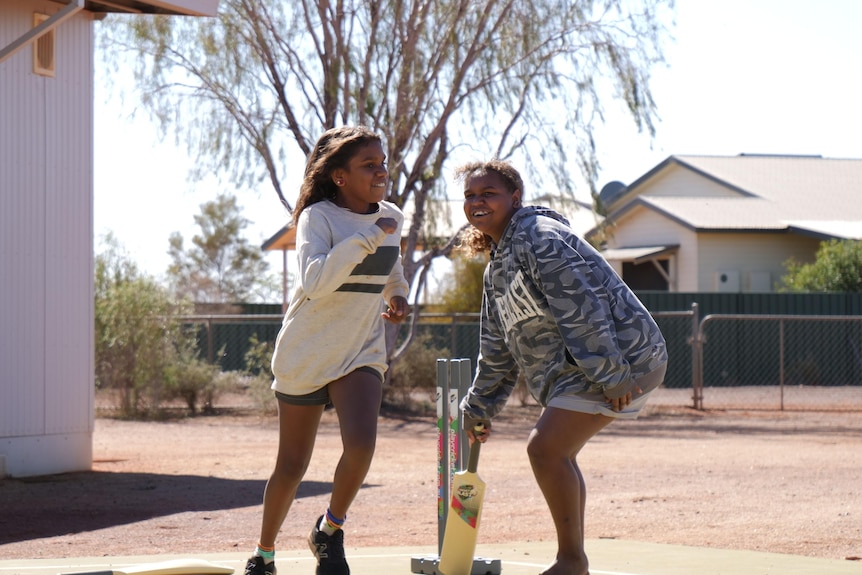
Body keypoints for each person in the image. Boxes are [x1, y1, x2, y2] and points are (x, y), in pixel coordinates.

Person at [456, 159, 668, 575]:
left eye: (488, 193)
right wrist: (478, 405)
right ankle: (573, 560)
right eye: (469, 196)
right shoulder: (496, 269)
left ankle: (572, 561)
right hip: (580, 370)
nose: (477, 202)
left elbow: (583, 308)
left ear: (514, 197)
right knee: (556, 452)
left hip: (624, 357)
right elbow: (496, 347)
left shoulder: (541, 237)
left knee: (545, 448)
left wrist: (611, 374)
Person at [244, 126, 410, 575]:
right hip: (307, 353)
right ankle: (264, 554)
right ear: (339, 176)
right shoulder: (317, 218)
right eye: (368, 165)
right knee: (292, 466)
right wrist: (370, 235)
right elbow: (316, 283)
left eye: (382, 162)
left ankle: (329, 530)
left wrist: (397, 293)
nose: (381, 171)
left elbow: (390, 265)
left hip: (360, 350)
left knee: (361, 445)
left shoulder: (391, 216)